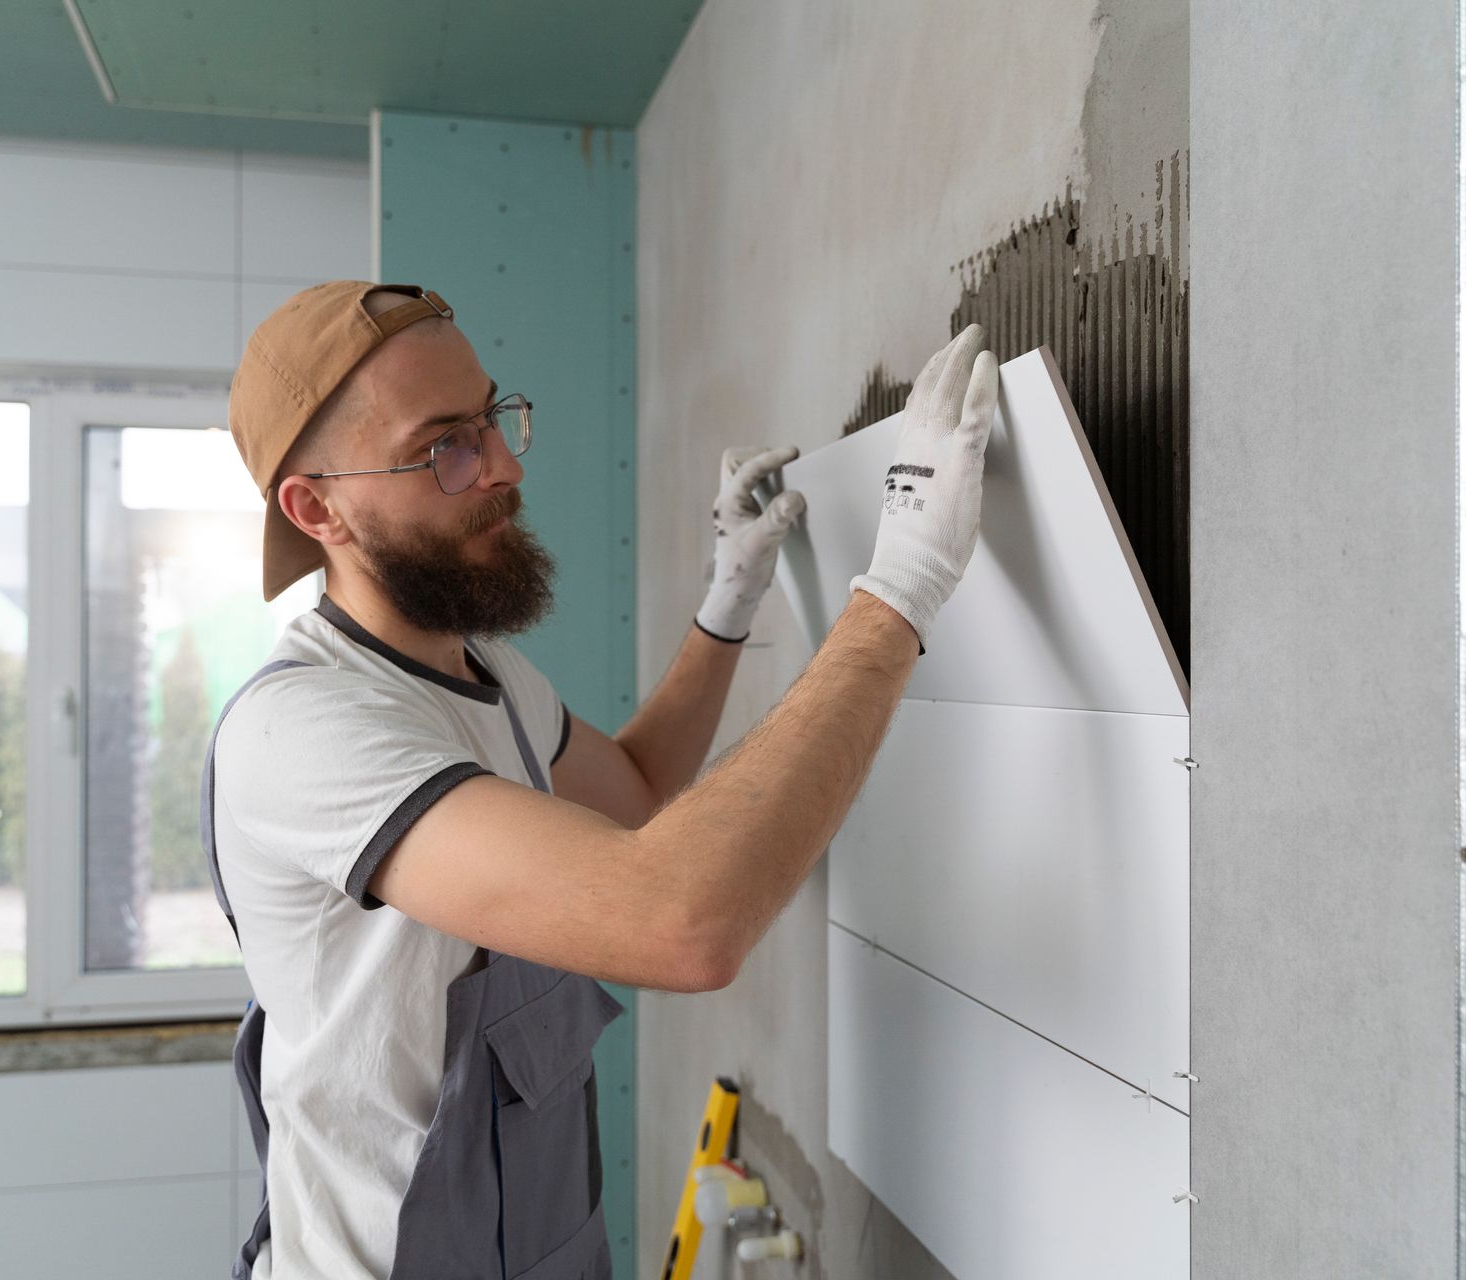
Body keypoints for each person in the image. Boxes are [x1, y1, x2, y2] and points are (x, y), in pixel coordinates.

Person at [207, 280, 997, 1278]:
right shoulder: (303, 730)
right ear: (318, 507)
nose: (502, 466)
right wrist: (899, 592)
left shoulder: (483, 675)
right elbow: (679, 920)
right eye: (446, 444)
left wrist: (730, 599)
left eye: (494, 418)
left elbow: (635, 788)